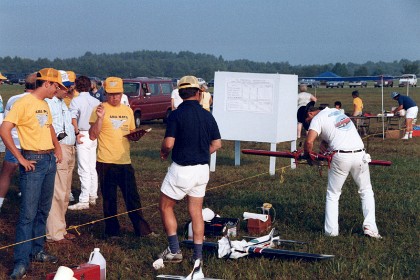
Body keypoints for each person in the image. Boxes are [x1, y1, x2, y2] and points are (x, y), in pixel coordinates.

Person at [0, 68, 65, 279]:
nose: (57, 90)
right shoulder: (22, 103)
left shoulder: (44, 104)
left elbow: (49, 128)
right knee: (27, 214)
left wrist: (57, 147)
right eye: (56, 86)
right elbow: (4, 129)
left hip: (48, 162)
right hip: (33, 161)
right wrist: (19, 158)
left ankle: (37, 250)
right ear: (46, 83)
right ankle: (21, 260)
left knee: (43, 210)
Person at [157, 76, 222, 279]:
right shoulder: (207, 115)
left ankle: (175, 250)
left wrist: (164, 153)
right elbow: (217, 144)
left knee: (165, 206)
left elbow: (168, 143)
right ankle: (197, 257)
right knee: (196, 212)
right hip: (202, 170)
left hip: (181, 169)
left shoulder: (176, 115)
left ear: (180, 93)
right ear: (198, 92)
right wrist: (202, 153)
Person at [303, 102, 381, 239]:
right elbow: (339, 131)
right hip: (360, 154)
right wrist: (324, 142)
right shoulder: (336, 111)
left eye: (307, 123)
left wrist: (308, 156)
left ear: (309, 114)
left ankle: (331, 232)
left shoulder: (316, 119)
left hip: (341, 157)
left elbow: (309, 142)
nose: (309, 126)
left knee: (333, 194)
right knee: (366, 191)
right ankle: (370, 228)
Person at [89, 77, 153, 237]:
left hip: (124, 161)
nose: (114, 98)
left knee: (132, 197)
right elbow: (92, 135)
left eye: (117, 94)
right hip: (105, 161)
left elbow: (130, 132)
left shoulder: (127, 111)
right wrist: (100, 119)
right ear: (105, 93)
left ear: (122, 93)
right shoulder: (99, 109)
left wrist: (136, 136)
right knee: (109, 199)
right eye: (110, 94)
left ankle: (142, 230)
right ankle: (112, 231)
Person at [45, 71, 77, 244]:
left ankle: (61, 228)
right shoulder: (48, 103)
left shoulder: (63, 102)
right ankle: (54, 233)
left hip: (70, 148)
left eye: (69, 86)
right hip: (59, 149)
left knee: (65, 192)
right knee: (57, 191)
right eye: (65, 86)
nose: (68, 89)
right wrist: (57, 148)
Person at [0, 73, 36, 213]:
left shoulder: (13, 99)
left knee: (6, 174)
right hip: (30, 143)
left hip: (12, 141)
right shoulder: (37, 101)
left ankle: (0, 202)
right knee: (31, 175)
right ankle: (28, 204)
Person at [68, 76, 100, 210]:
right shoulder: (96, 100)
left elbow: (73, 117)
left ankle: (84, 199)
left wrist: (76, 132)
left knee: (83, 168)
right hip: (94, 134)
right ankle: (93, 195)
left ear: (76, 86)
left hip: (82, 134)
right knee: (92, 166)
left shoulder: (76, 101)